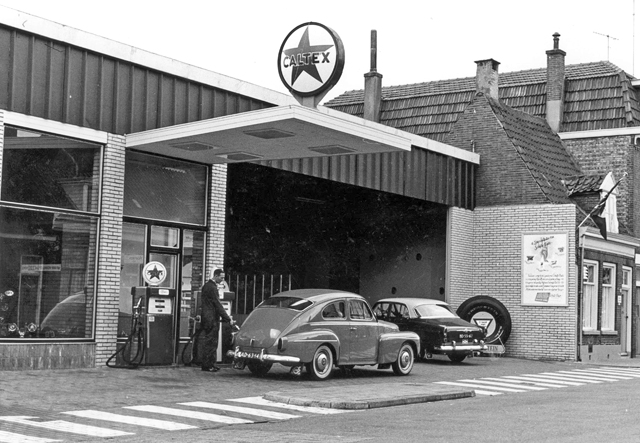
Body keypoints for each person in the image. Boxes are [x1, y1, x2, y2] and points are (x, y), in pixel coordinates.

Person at [200, 268, 233, 372]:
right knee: (212, 342)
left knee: (210, 341)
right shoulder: (212, 288)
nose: (222, 280)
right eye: (221, 277)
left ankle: (209, 364)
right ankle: (208, 365)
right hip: (212, 318)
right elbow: (217, 304)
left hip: (207, 317)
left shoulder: (206, 286)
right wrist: (227, 318)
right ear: (216, 276)